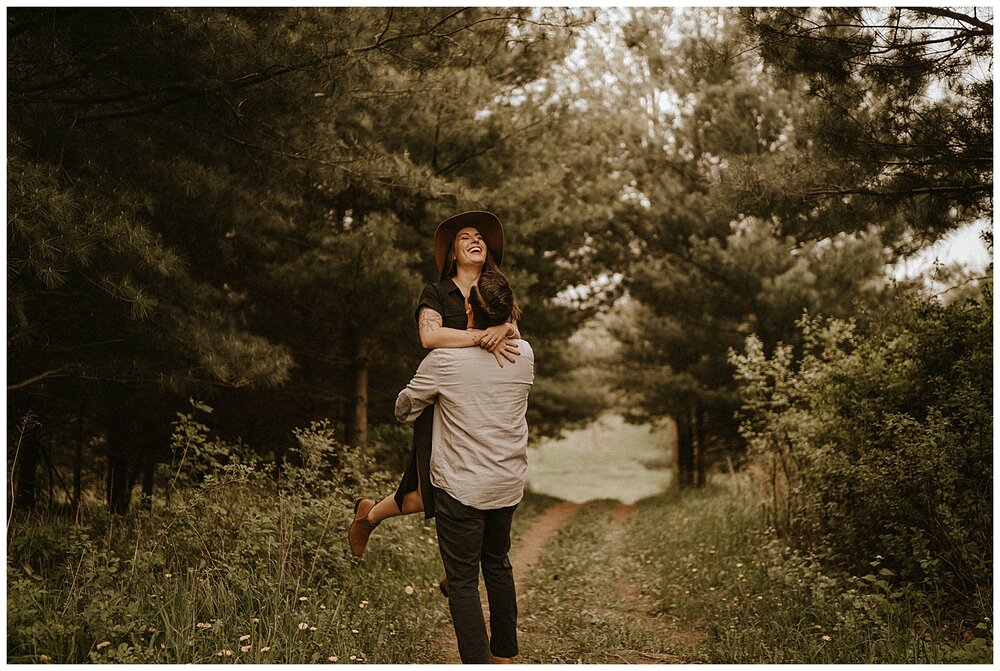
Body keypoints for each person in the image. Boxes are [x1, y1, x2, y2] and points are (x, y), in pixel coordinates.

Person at [349, 211, 521, 557]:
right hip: (443, 402)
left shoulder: (495, 290)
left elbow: (515, 335)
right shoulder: (437, 292)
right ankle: (369, 517)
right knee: (431, 492)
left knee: (488, 482)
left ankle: (456, 567)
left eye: (480, 237)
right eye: (465, 237)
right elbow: (429, 336)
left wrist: (505, 328)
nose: (476, 240)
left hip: (485, 404)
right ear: (452, 254)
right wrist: (481, 336)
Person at [394, 270, 534, 664]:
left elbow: (404, 410)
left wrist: (427, 401)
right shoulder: (525, 355)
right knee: (498, 564)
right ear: (508, 313)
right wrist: (505, 329)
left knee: (461, 581)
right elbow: (513, 335)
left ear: (468, 308)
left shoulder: (443, 361)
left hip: (461, 489)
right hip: (507, 485)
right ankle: (505, 654)